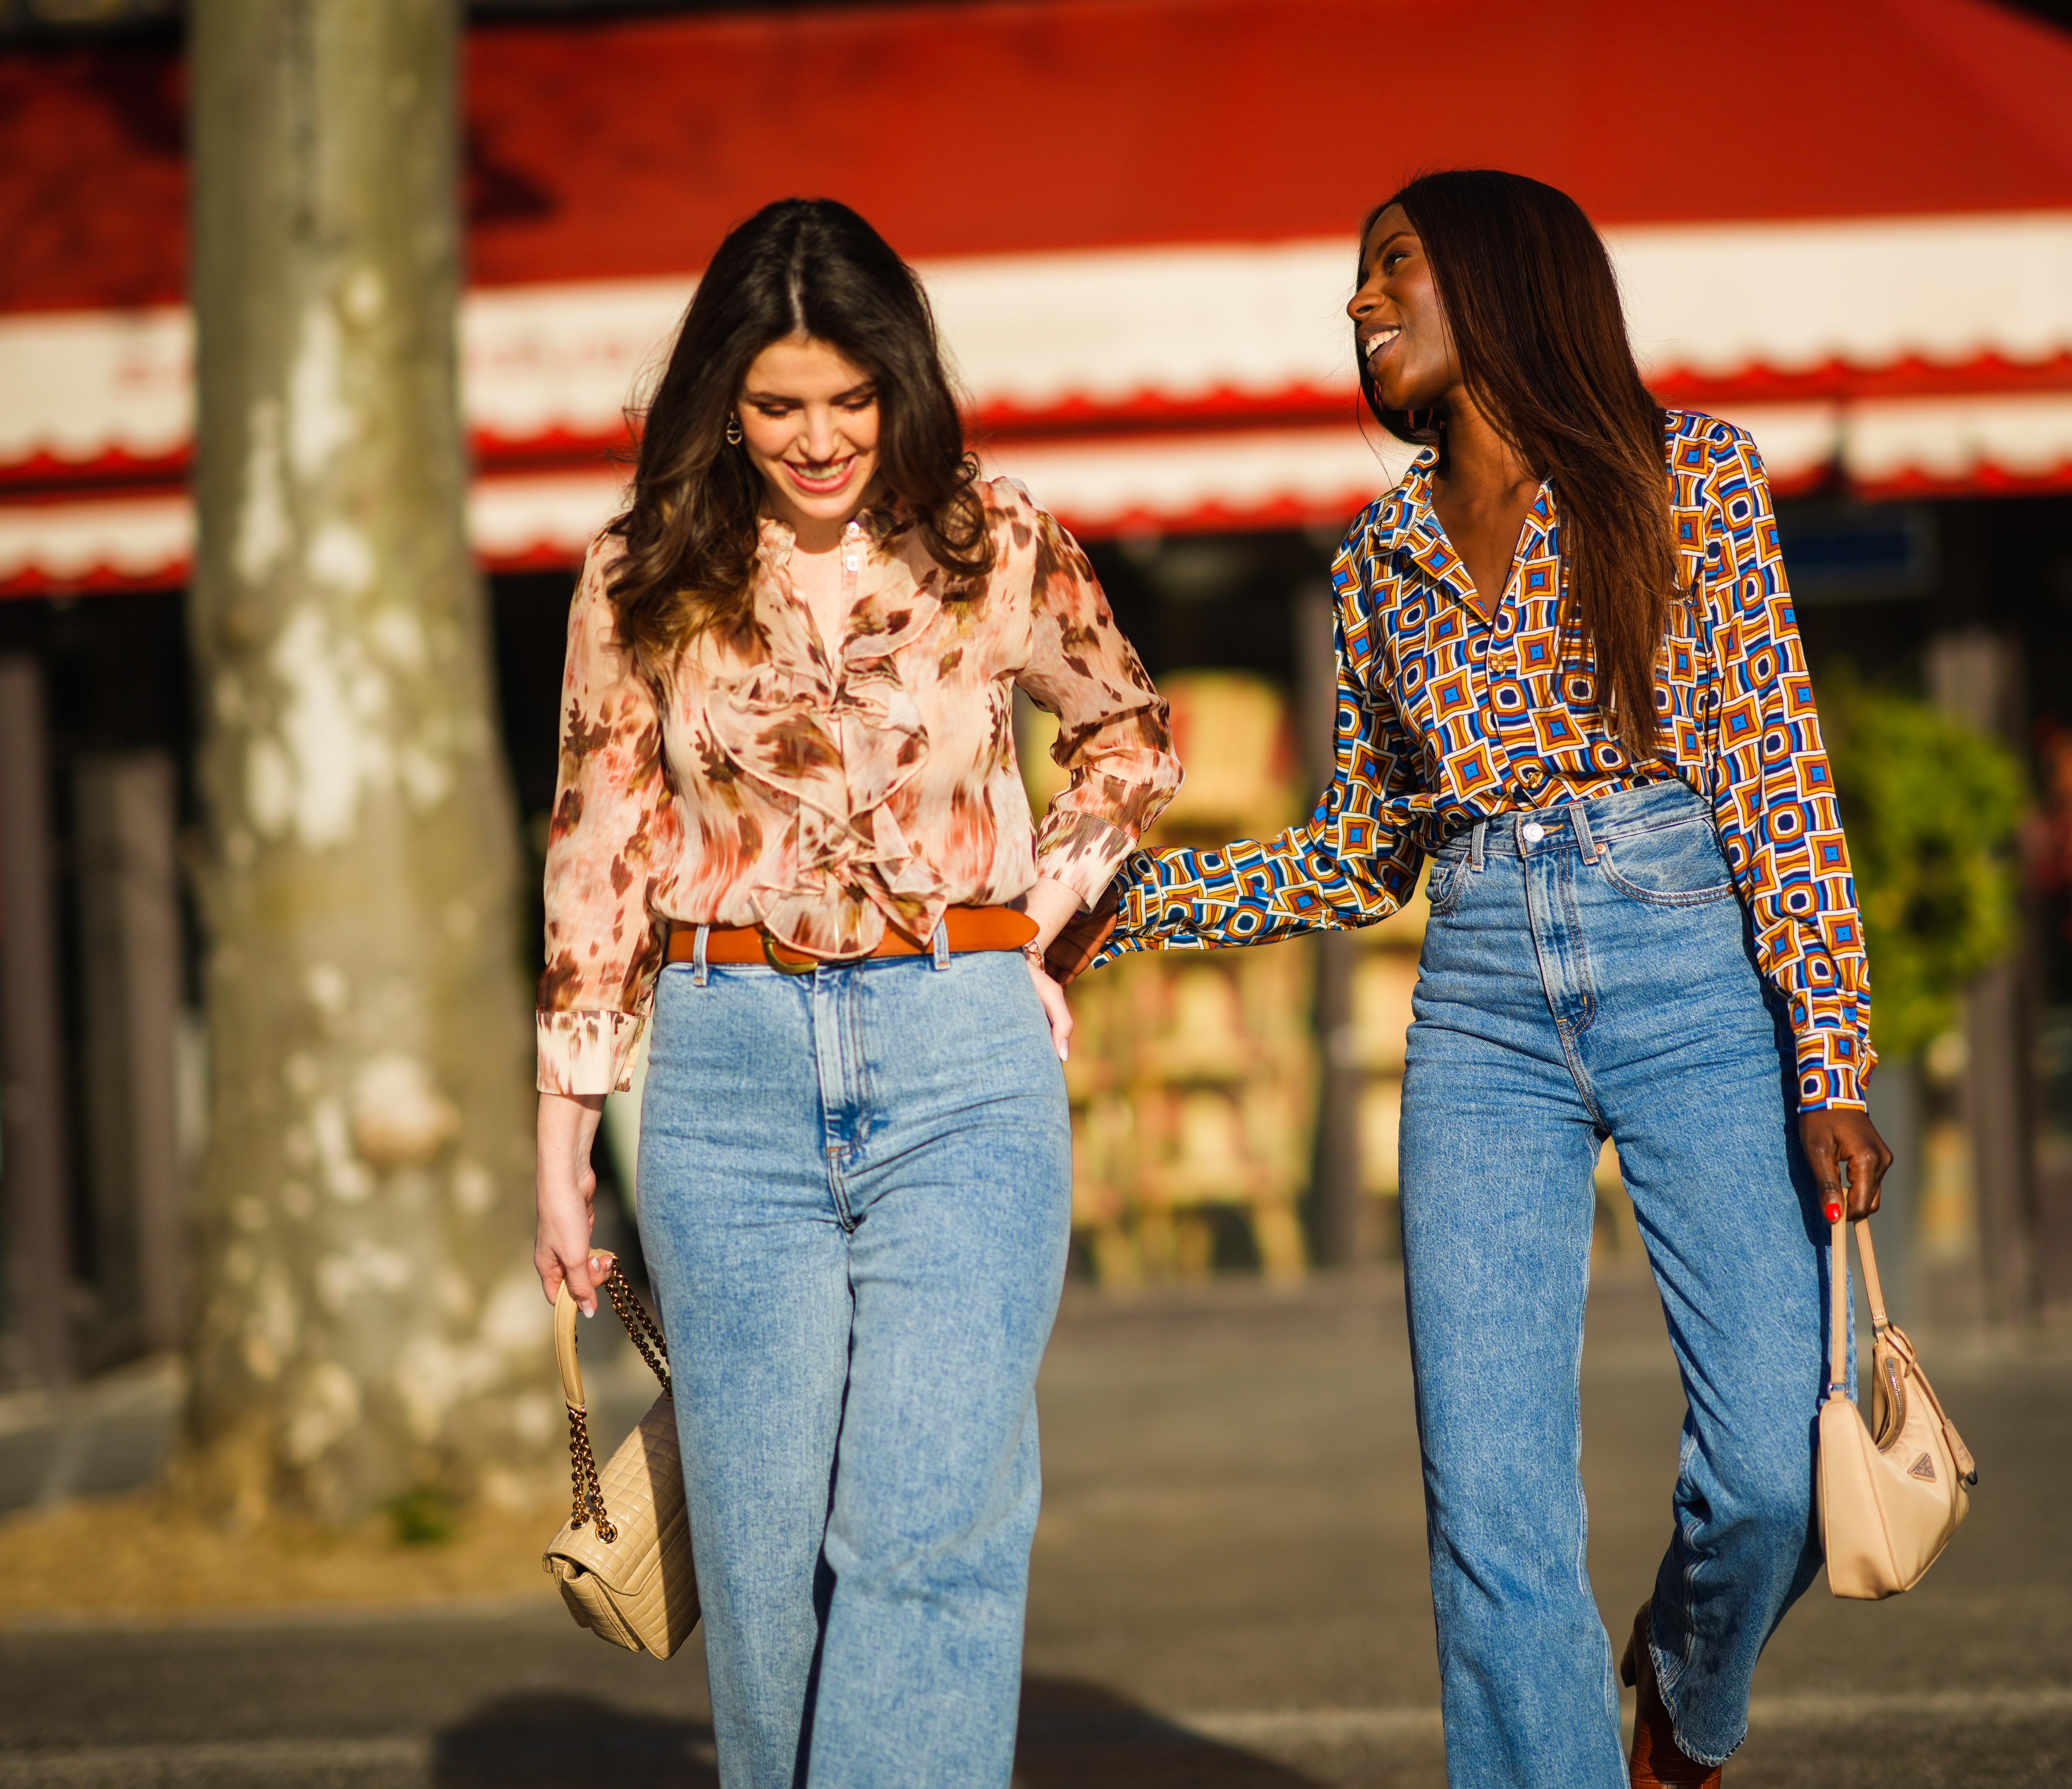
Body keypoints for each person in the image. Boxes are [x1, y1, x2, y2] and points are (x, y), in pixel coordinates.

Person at [1088, 170, 1892, 1789]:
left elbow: (1772, 767)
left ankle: (1680, 1687)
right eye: (1355, 278)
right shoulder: (1376, 555)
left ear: (1507, 281)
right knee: (1491, 1500)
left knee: (1772, 1467)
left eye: (1392, 267)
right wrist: (1115, 903)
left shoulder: (1690, 481)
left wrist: (1829, 1054)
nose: (1357, 303)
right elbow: (1357, 851)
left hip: (1687, 964)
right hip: (1478, 1009)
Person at [530, 197, 1178, 1789]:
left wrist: (1038, 918)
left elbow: (1129, 733)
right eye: (776, 405)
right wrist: (557, 1143)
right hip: (723, 1085)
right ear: (722, 403)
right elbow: (598, 847)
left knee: (927, 1523)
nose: (817, 439)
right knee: (763, 1569)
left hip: (962, 1063)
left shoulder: (996, 536)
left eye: (848, 399)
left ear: (898, 383)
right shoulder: (641, 571)